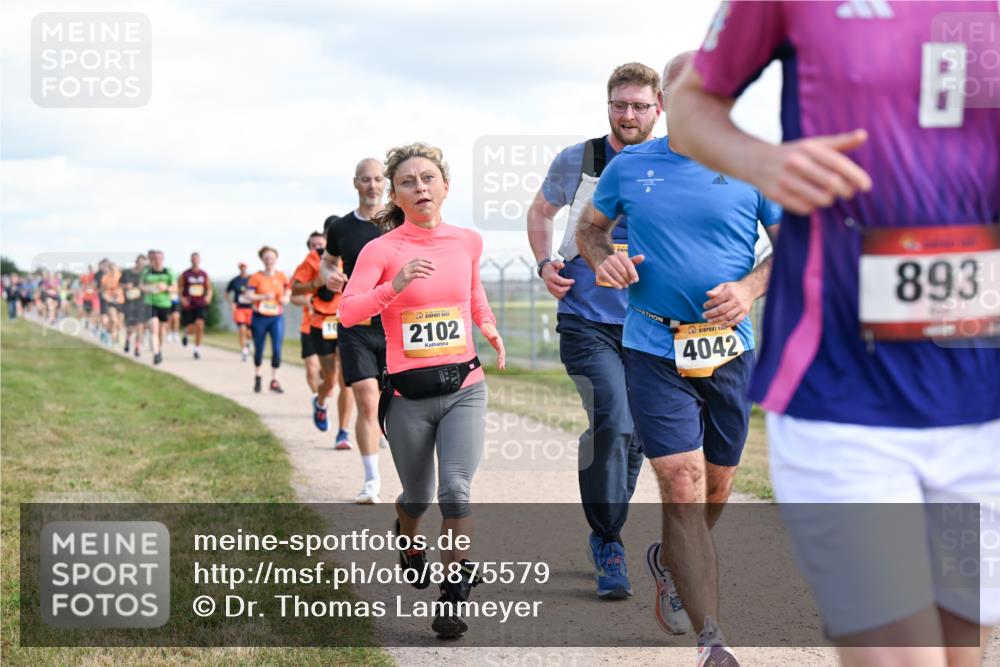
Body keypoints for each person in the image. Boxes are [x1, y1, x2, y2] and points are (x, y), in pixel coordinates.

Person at [671, 2, 999, 666]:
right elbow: (689, 104)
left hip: (983, 404)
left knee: (963, 654)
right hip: (844, 393)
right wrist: (761, 163)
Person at [579, 51, 781, 666]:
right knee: (682, 481)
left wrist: (747, 289)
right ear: (665, 100)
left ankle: (669, 561)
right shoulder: (632, 164)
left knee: (717, 484)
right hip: (653, 344)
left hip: (728, 350)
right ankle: (711, 639)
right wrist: (601, 257)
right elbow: (591, 229)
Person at [339, 142, 505, 640]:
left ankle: (452, 600)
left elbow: (472, 293)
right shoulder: (381, 250)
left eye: (429, 179)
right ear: (395, 193)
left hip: (465, 387)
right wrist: (397, 284)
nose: (420, 188)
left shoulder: (468, 241)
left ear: (446, 187)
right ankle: (408, 538)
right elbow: (348, 312)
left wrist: (489, 326)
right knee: (419, 495)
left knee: (456, 492)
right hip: (408, 398)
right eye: (408, 182)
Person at [526, 62, 661, 598]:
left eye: (639, 106)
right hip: (586, 318)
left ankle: (607, 528)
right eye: (619, 105)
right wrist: (544, 264)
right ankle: (608, 542)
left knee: (635, 438)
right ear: (608, 106)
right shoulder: (580, 160)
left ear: (659, 108)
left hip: (652, 325)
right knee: (614, 418)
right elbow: (541, 212)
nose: (628, 115)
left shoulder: (672, 163)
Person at [320, 157, 389, 503]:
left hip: (394, 325)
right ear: (355, 183)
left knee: (396, 406)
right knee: (366, 399)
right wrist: (328, 276)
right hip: (356, 324)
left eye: (378, 179)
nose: (372, 186)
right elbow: (328, 261)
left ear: (385, 182)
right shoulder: (342, 228)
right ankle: (371, 481)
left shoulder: (399, 223)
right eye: (365, 180)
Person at [291, 231, 354, 448]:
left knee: (347, 380)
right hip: (320, 324)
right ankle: (319, 402)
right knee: (330, 379)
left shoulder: (350, 255)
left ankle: (343, 433)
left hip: (346, 321)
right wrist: (317, 282)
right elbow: (295, 289)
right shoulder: (312, 260)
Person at [247, 246, 290, 393]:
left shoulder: (281, 276)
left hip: (276, 317)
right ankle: (258, 377)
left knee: (277, 349)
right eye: (266, 258)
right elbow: (248, 296)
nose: (269, 261)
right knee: (259, 349)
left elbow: (288, 291)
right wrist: (262, 297)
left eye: (271, 258)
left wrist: (286, 298)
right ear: (262, 260)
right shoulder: (255, 277)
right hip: (259, 317)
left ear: (276, 259)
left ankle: (274, 380)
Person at [140, 250, 176, 365]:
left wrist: (165, 288)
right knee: (154, 326)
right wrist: (149, 288)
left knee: (162, 331)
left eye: (159, 259)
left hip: (164, 304)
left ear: (162, 259)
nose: (156, 261)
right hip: (150, 303)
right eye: (154, 259)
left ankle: (158, 349)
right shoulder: (146, 272)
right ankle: (156, 353)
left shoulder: (168, 272)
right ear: (151, 259)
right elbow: (141, 286)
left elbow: (175, 287)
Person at [179, 252, 213, 360]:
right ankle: (186, 333)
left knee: (200, 324)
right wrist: (182, 299)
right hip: (189, 304)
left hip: (200, 303)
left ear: (199, 260)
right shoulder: (185, 274)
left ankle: (197, 349)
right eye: (193, 259)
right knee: (191, 327)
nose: (195, 261)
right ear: (191, 260)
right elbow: (179, 288)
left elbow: (209, 288)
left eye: (197, 259)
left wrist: (208, 297)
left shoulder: (204, 274)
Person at [121, 254, 149, 358]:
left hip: (141, 302)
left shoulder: (145, 275)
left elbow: (148, 286)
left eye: (143, 264)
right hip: (129, 303)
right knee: (131, 327)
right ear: (136, 262)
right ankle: (128, 339)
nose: (141, 266)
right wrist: (126, 286)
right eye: (140, 263)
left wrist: (144, 288)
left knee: (140, 326)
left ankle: (137, 347)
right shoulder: (126, 272)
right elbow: (120, 284)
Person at [225, 262, 253, 361]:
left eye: (244, 266)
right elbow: (226, 293)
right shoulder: (235, 281)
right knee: (241, 329)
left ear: (247, 267)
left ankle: (248, 343)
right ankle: (244, 350)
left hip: (251, 308)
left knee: (250, 332)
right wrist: (231, 303)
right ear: (239, 268)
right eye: (241, 267)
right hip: (239, 309)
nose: (243, 268)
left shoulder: (252, 279)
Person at [99, 261, 124, 345]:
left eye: (115, 268)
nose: (113, 270)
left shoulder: (121, 276)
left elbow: (125, 287)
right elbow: (102, 290)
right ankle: (111, 338)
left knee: (119, 323)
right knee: (114, 320)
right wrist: (106, 296)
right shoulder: (105, 278)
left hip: (121, 301)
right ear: (109, 269)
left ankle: (113, 335)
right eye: (111, 269)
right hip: (110, 301)